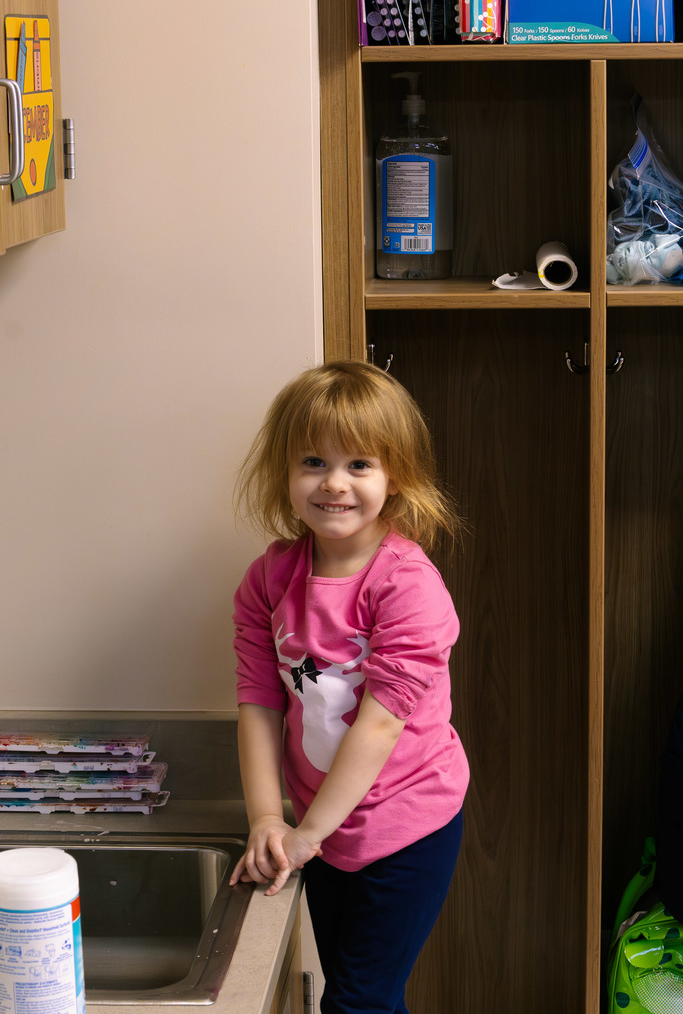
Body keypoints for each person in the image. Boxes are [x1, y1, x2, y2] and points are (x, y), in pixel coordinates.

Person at [229, 360, 469, 1014]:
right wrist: (267, 817)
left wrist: (308, 833)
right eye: (313, 461)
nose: (334, 482)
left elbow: (381, 723)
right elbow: (258, 700)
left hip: (408, 824)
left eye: (359, 464)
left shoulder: (406, 585)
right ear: (285, 472)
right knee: (363, 1000)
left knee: (357, 1003)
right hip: (321, 827)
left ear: (396, 477)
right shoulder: (268, 579)